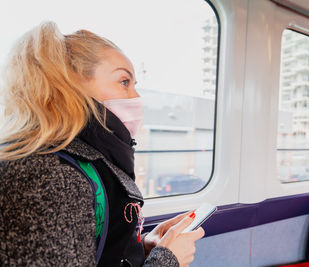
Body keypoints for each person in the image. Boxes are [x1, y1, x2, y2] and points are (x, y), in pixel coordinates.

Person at [0, 21, 204, 267]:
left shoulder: (84, 160)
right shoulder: (50, 175)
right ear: (71, 85)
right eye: (124, 82)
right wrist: (168, 260)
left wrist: (140, 249)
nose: (137, 97)